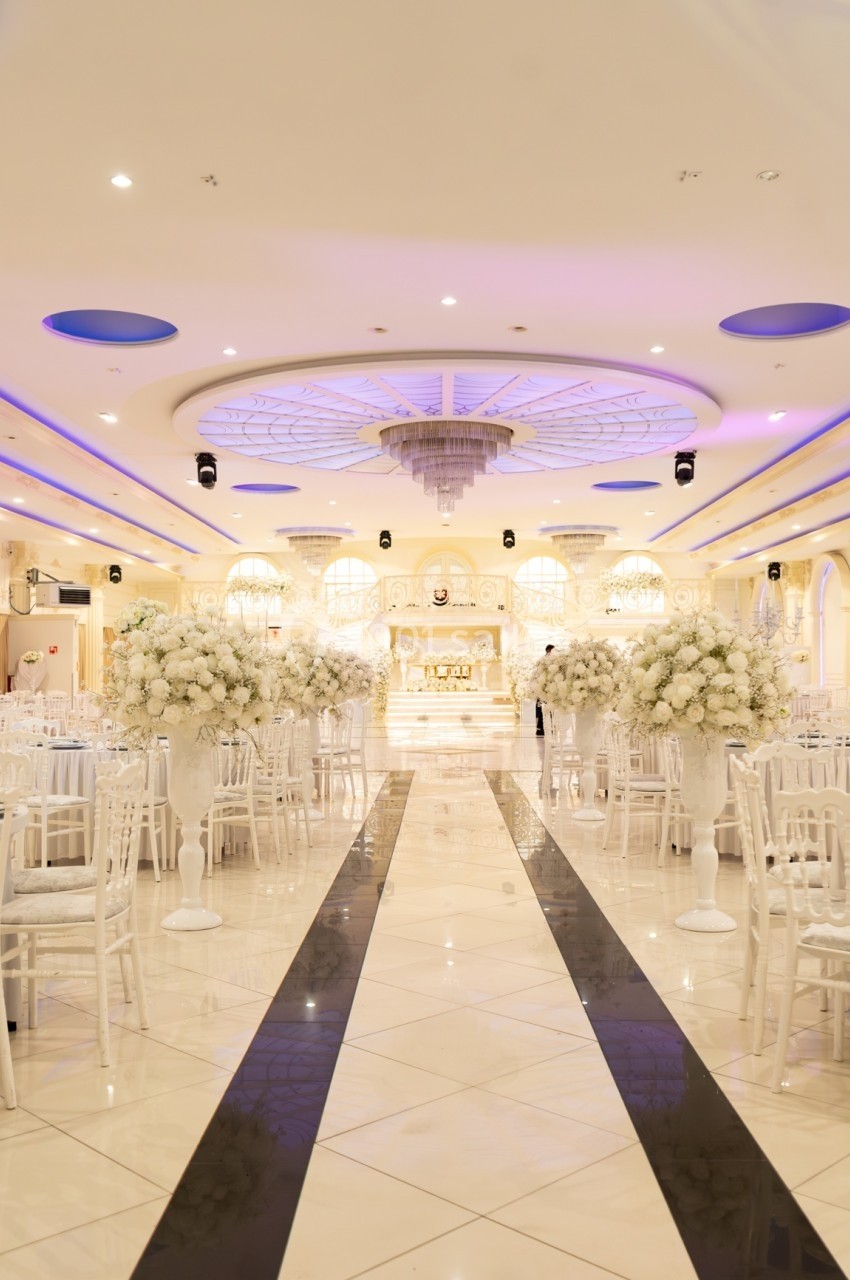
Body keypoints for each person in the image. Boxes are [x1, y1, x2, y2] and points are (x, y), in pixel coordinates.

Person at [535, 644, 555, 734]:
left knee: (547, 709)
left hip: (547, 688)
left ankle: (545, 728)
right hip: (545, 688)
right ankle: (542, 728)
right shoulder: (543, 661)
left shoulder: (543, 660)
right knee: (544, 708)